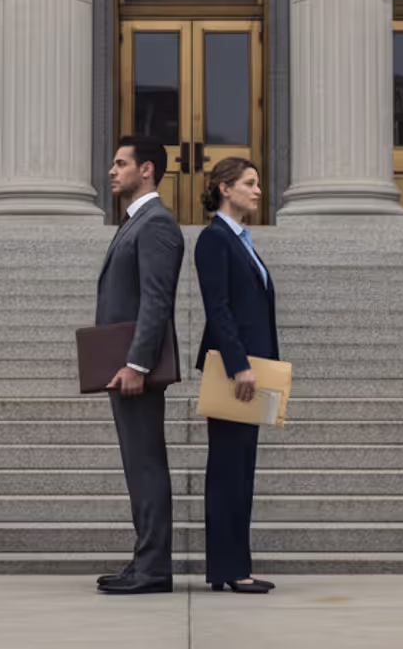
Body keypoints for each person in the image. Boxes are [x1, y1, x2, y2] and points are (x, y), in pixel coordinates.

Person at [94, 134, 184, 595]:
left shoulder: (156, 224)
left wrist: (137, 364)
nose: (112, 170)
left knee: (146, 465)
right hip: (124, 368)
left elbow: (156, 300)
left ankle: (153, 569)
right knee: (138, 465)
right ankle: (144, 561)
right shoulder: (134, 222)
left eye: (120, 163)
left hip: (135, 372)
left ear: (146, 170)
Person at [194, 156, 280, 594]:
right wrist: (239, 364)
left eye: (258, 183)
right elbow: (219, 308)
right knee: (229, 471)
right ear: (225, 188)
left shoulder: (242, 240)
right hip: (236, 374)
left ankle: (232, 567)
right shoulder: (214, 240)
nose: (258, 191)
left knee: (240, 470)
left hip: (253, 371)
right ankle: (230, 569)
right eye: (250, 183)